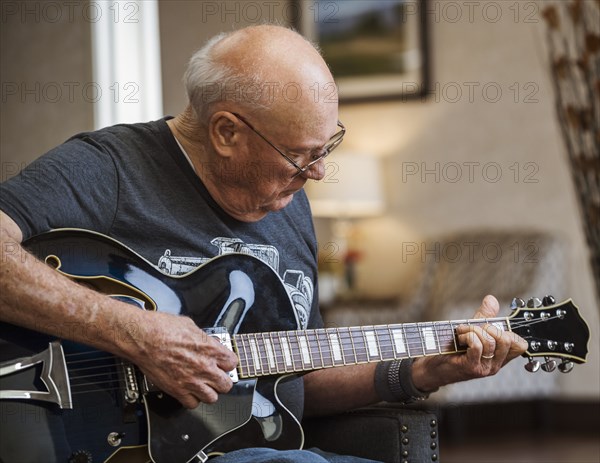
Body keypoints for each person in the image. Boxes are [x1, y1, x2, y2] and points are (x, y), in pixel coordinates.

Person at [0, 25, 528, 463]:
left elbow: (295, 380)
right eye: (302, 155)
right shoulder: (110, 168)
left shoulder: (288, 202)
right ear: (227, 132)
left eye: (329, 146)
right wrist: (134, 332)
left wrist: (419, 371)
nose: (319, 173)